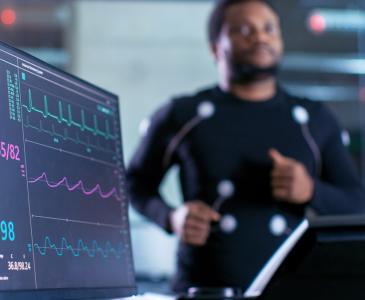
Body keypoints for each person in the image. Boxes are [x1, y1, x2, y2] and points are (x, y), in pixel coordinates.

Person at [126, 0, 365, 292]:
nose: (260, 37)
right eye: (243, 30)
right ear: (216, 47)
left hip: (291, 291)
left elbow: (356, 203)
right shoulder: (182, 114)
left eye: (269, 29)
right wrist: (172, 217)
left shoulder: (315, 119)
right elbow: (133, 184)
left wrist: (311, 191)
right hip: (200, 291)